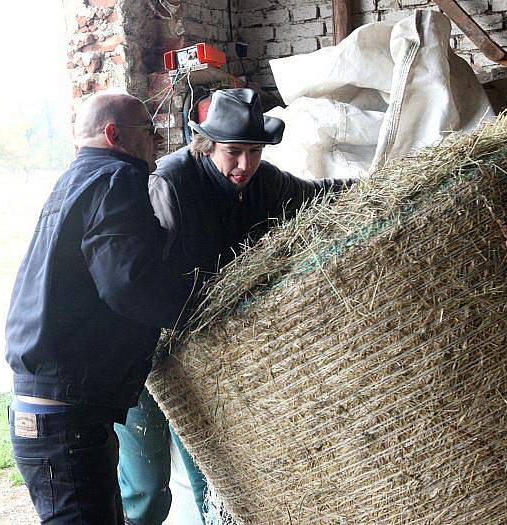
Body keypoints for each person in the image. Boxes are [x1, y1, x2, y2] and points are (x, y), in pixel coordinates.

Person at [116, 87, 353, 523]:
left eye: (255, 152)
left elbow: (318, 196)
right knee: (146, 488)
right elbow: (135, 278)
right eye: (233, 152)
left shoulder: (263, 182)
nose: (245, 165)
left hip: (206, 359)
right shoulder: (169, 185)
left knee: (215, 481)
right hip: (143, 349)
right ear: (206, 147)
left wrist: (387, 183)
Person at [5, 91, 195, 524]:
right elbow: (128, 282)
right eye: (149, 132)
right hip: (65, 415)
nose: (157, 144)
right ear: (114, 135)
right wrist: (194, 311)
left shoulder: (73, 182)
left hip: (50, 407)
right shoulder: (116, 178)